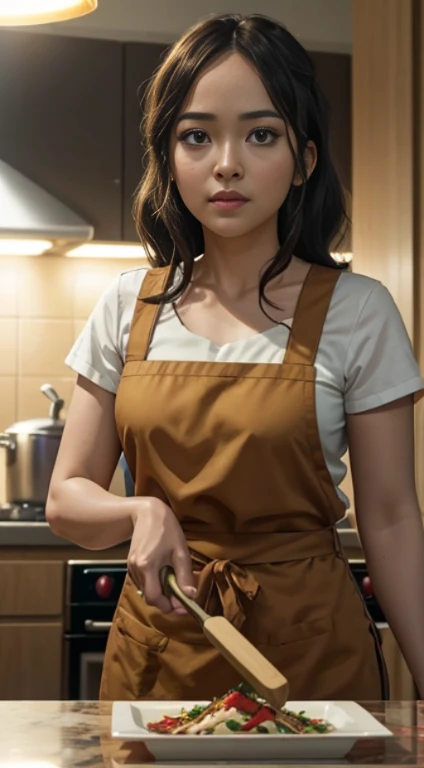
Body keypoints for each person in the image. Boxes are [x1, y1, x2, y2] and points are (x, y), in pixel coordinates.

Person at [46, 13, 424, 702]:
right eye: (197, 136)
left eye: (260, 134)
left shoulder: (358, 311)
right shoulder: (128, 306)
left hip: (313, 657)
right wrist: (141, 514)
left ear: (305, 158)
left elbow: (393, 517)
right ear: (168, 155)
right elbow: (67, 498)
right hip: (161, 657)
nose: (227, 162)